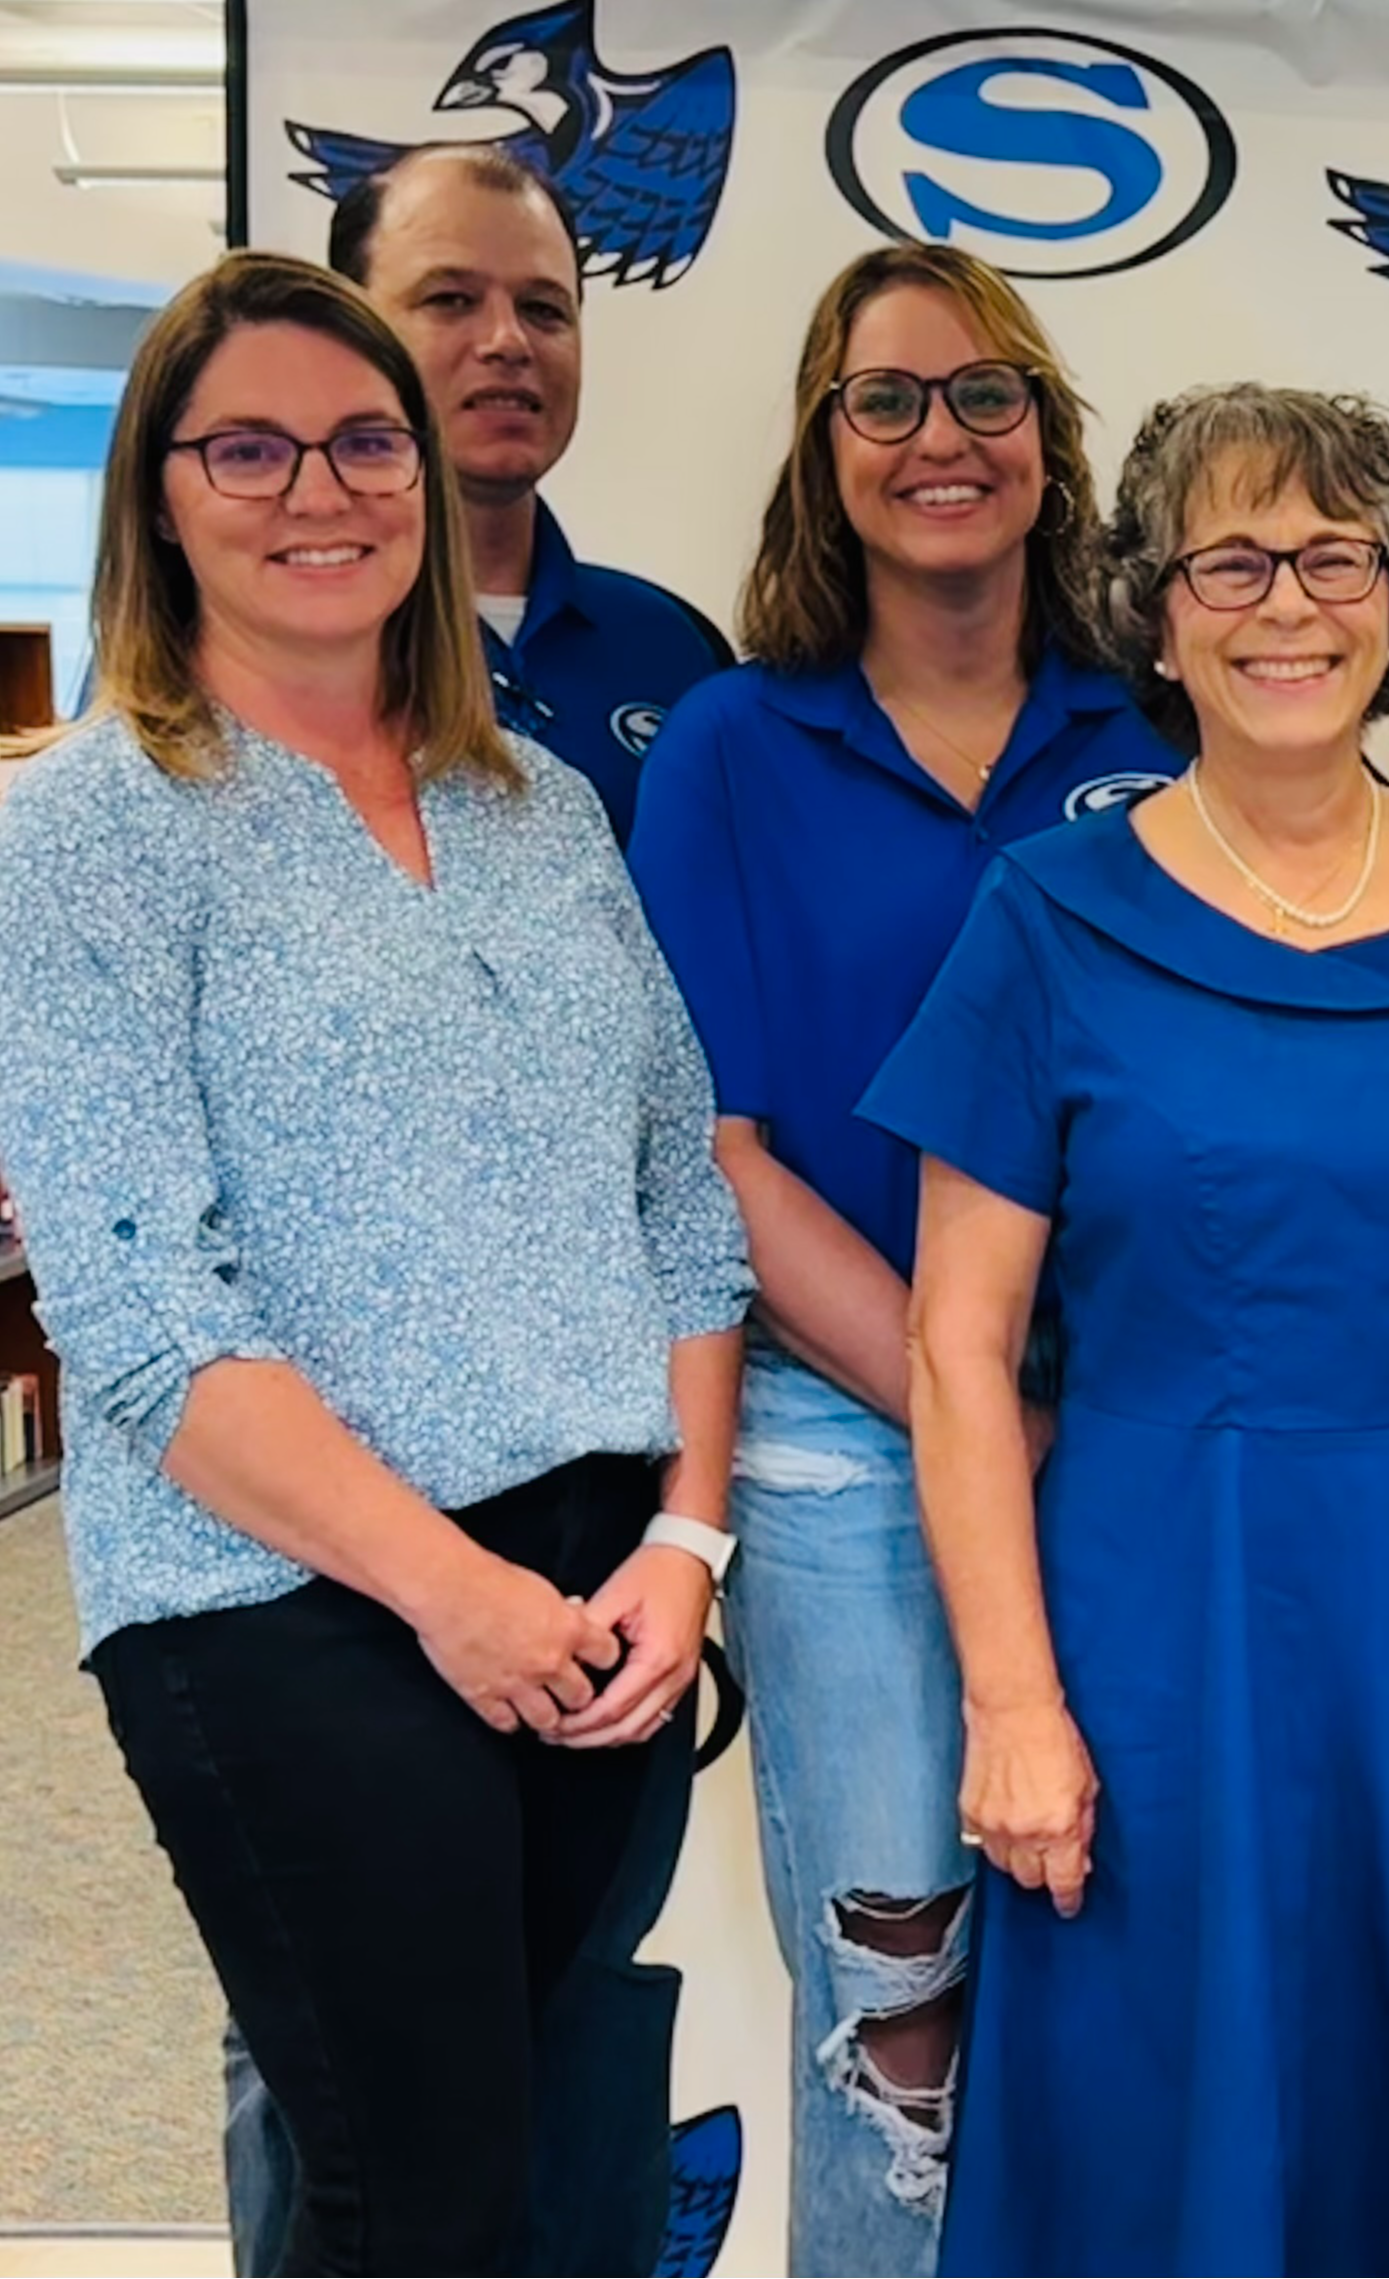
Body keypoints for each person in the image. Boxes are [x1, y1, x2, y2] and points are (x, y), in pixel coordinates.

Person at [856, 382, 1389, 2275]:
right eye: (1230, 558)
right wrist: (1011, 1703)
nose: (1286, 602)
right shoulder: (1050, 913)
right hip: (1163, 1608)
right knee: (1176, 2106)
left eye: (1336, 555)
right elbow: (955, 1346)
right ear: (1156, 611)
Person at [0, 250, 749, 2276]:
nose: (313, 487)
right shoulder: (88, 830)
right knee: (408, 2194)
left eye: (359, 441)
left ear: (425, 482)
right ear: (160, 489)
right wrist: (455, 1590)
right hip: (294, 1598)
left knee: (530, 2153)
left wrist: (683, 1547)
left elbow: (680, 1197)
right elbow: (142, 1309)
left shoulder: (545, 809)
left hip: (598, 1576)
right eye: (245, 444)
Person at [621, 242, 1176, 2275]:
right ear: (818, 449)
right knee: (902, 1999)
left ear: (1051, 436)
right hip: (846, 1446)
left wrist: (1056, 1423)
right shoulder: (731, 748)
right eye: (886, 399)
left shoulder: (1165, 724)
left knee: (1129, 1968)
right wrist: (970, 1406)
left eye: (984, 394)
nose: (940, 437)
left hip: (1140, 1433)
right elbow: (720, 1153)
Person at [330, 144, 730, 842]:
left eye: (544, 309)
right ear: (346, 334)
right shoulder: (271, 658)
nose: (507, 341)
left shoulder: (676, 649)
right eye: (450, 299)